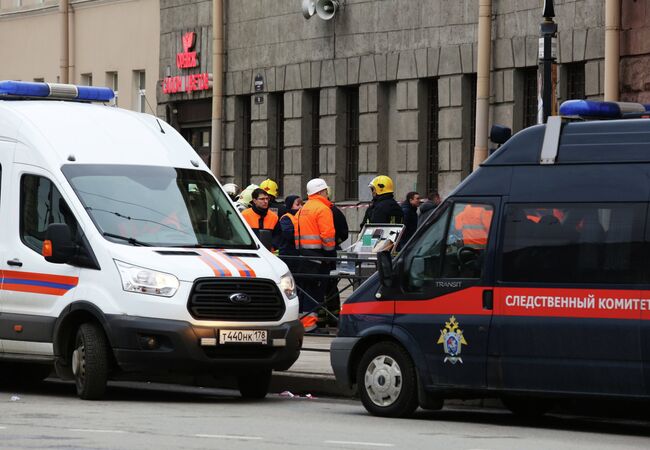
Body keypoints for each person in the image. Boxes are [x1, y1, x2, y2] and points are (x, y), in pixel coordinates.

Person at [294, 178, 336, 332]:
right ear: (321, 191)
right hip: (319, 255)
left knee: (305, 290)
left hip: (304, 255)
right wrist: (330, 253)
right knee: (315, 291)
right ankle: (310, 325)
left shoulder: (303, 208)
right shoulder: (323, 209)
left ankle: (302, 322)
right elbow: (328, 235)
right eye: (326, 191)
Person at [278, 194, 302, 272]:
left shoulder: (300, 217)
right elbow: (288, 234)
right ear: (290, 205)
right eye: (297, 204)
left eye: (302, 204)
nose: (301, 207)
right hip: (288, 254)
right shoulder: (286, 218)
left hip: (297, 253)